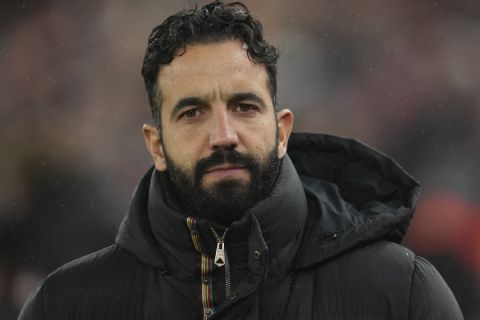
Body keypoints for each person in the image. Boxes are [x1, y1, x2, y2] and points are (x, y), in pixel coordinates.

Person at [18, 1, 463, 319]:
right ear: (156, 145)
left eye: (244, 107)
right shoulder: (65, 304)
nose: (223, 136)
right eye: (192, 113)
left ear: (283, 130)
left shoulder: (399, 295)